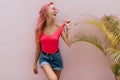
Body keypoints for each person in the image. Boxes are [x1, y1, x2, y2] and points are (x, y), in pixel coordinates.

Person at [33, 2, 73, 80]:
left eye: (56, 9)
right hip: (44, 58)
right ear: (46, 12)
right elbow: (38, 48)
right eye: (53, 9)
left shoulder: (58, 26)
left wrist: (68, 28)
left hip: (57, 58)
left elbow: (69, 43)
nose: (56, 11)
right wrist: (35, 63)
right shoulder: (39, 29)